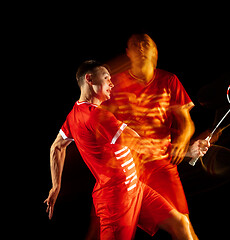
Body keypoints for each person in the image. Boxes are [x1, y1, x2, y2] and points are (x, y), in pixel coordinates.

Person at [44, 60, 197, 240]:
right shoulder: (97, 116)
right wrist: (187, 151)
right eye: (106, 78)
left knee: (181, 224)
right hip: (116, 200)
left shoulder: (75, 114)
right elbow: (140, 146)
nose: (112, 83)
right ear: (89, 79)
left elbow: (56, 147)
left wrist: (56, 187)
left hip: (136, 189)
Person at [103, 33, 210, 239]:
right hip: (127, 168)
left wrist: (184, 141)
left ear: (155, 52)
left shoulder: (169, 80)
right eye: (135, 45)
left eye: (146, 44)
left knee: (184, 225)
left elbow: (186, 122)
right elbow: (101, 125)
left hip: (161, 166)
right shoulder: (114, 84)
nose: (141, 48)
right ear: (128, 53)